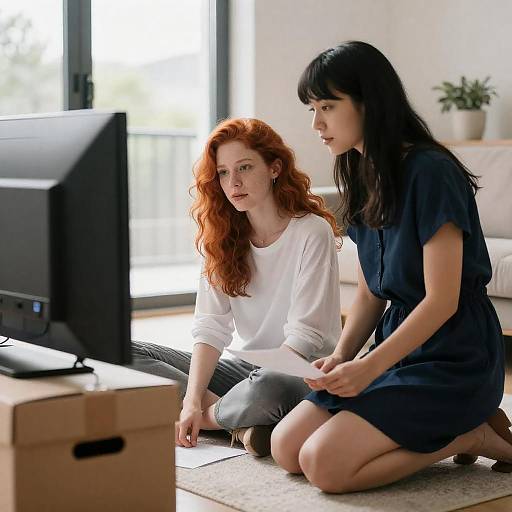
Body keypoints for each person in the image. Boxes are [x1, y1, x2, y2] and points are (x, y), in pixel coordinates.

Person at [271, 41, 511, 492]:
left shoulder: (431, 172)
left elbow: (442, 301)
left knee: (325, 467)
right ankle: (442, 424)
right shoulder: (361, 173)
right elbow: (370, 292)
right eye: (311, 108)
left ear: (369, 102)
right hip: (398, 346)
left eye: (327, 106)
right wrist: (342, 358)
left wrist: (370, 368)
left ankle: (469, 432)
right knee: (287, 448)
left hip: (455, 353)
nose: (316, 124)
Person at [131, 117, 342, 456]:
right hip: (247, 373)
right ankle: (243, 424)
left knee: (269, 387)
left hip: (300, 373)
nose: (234, 182)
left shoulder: (311, 232)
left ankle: (213, 419)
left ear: (274, 168)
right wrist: (191, 397)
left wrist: (199, 408)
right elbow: (211, 327)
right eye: (224, 173)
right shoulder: (222, 238)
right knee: (123, 354)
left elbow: (306, 337)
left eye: (244, 167)